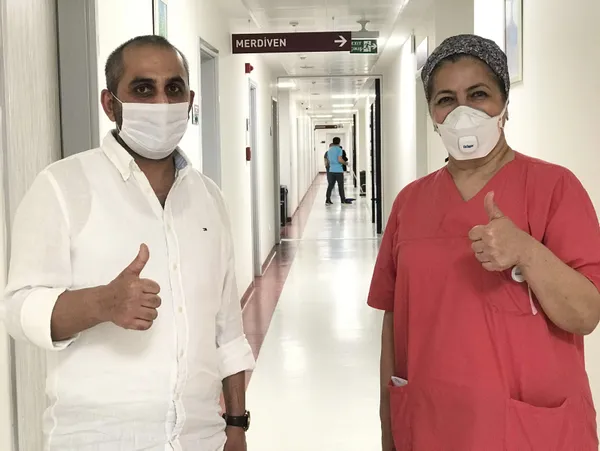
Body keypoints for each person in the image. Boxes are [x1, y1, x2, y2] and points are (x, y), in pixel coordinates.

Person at [1, 35, 254, 451]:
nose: (162, 102)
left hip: (202, 438)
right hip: (99, 440)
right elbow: (17, 309)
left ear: (190, 101)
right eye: (143, 89)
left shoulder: (209, 198)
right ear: (110, 103)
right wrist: (102, 303)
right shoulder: (62, 186)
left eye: (174, 88)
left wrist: (236, 425)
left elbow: (227, 330)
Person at [368, 34, 600, 451]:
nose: (463, 114)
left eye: (478, 94)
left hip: (529, 431)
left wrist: (526, 251)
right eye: (446, 100)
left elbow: (586, 314)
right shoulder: (409, 203)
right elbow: (393, 323)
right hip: (430, 423)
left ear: (504, 104)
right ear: (432, 115)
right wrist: (389, 425)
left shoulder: (555, 187)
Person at [326, 137, 351, 205]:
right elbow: (340, 160)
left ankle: (328, 199)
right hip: (338, 170)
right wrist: (346, 163)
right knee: (340, 186)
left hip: (331, 170)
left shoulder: (329, 150)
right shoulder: (339, 149)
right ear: (339, 142)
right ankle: (343, 200)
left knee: (330, 185)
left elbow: (328, 161)